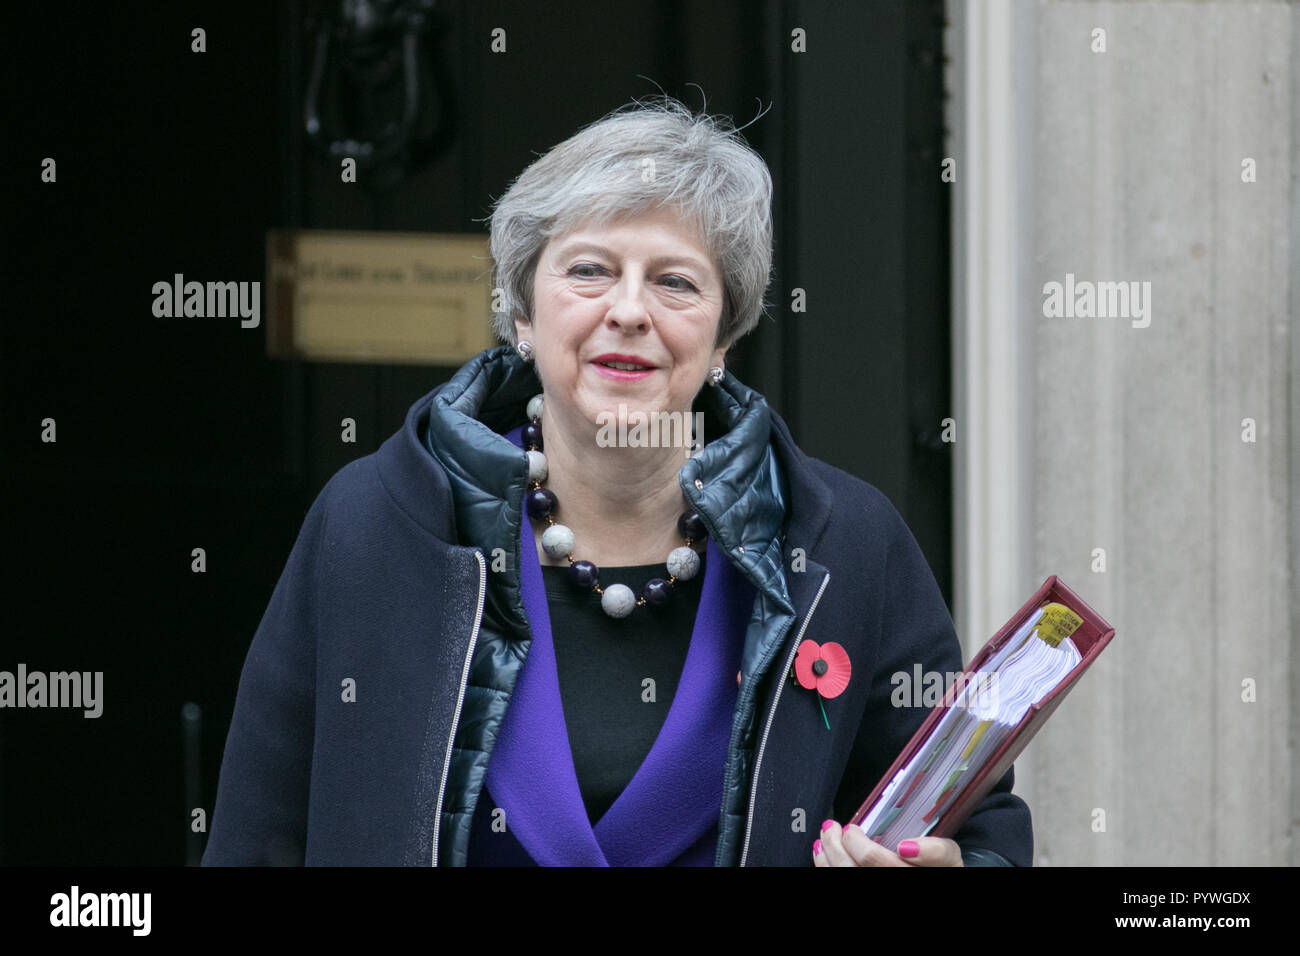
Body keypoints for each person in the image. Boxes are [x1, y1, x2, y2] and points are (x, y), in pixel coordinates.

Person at [202, 96, 1032, 867]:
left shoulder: (844, 541)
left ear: (722, 339)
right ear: (523, 317)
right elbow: (257, 835)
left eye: (675, 281)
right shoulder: (375, 522)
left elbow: (973, 816)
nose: (628, 310)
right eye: (590, 271)